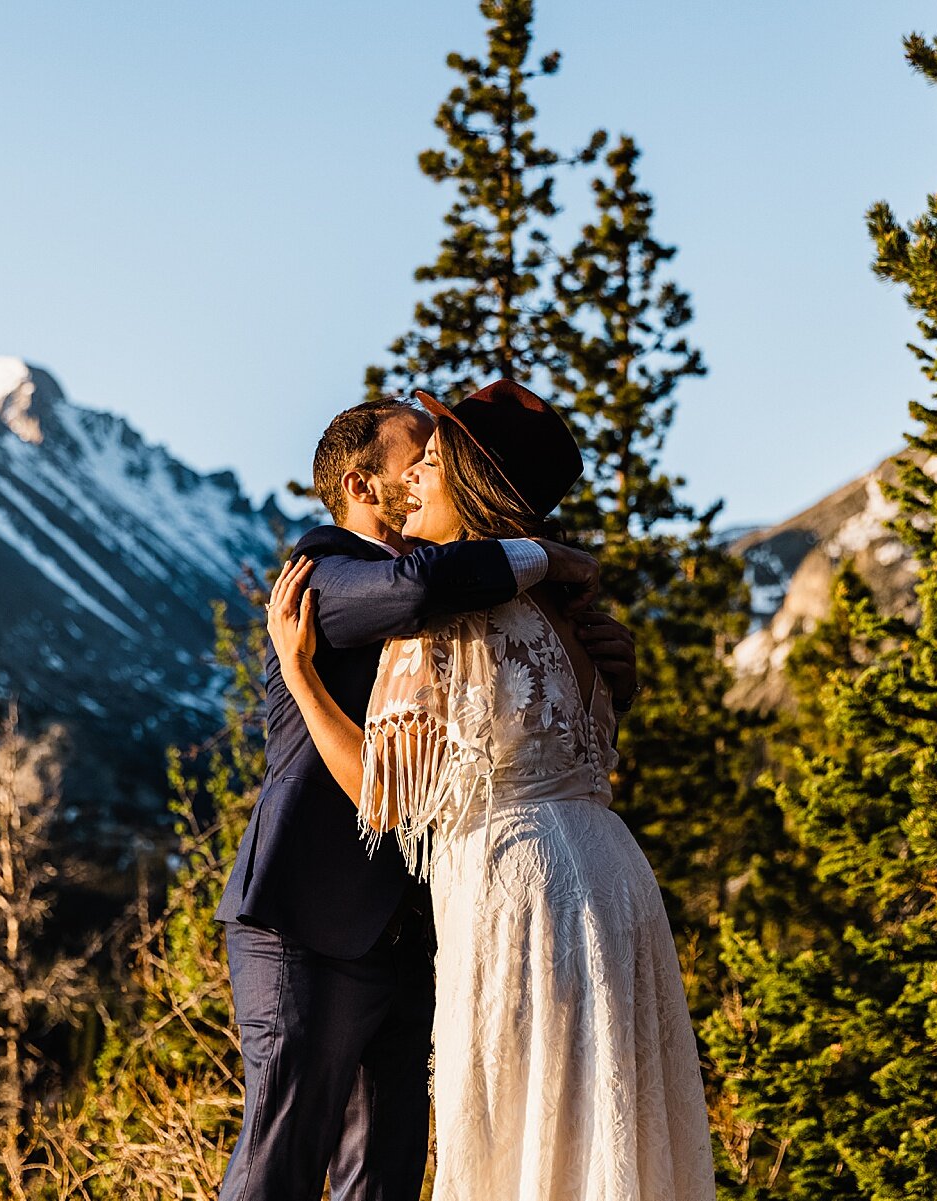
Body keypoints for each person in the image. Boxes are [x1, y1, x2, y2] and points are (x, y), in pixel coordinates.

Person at [264, 380, 716, 1201]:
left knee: (526, 1131)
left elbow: (386, 796)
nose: (413, 487)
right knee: (605, 1127)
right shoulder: (579, 618)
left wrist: (301, 680)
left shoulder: (441, 622)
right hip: (614, 879)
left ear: (469, 481)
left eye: (431, 465)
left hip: (520, 883)